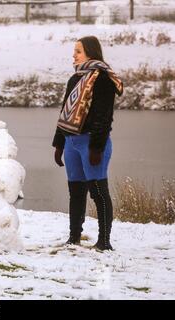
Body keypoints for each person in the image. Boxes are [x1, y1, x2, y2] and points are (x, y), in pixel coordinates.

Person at [52, 36, 123, 251]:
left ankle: (104, 241)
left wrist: (96, 148)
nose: (74, 55)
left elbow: (104, 117)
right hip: (72, 142)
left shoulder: (103, 78)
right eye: (74, 51)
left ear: (91, 53)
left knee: (98, 191)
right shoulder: (75, 79)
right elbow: (65, 111)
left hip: (92, 143)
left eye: (78, 51)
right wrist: (59, 144)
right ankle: (74, 237)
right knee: (76, 191)